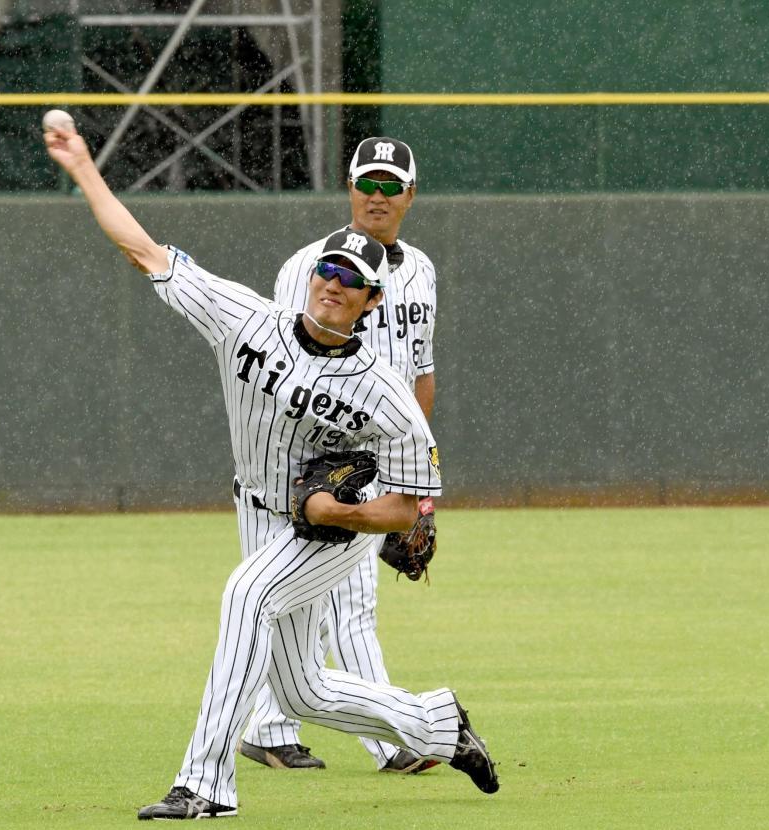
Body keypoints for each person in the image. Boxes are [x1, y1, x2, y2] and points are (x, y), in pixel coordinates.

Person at [42, 124, 499, 819]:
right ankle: (437, 724)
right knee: (299, 690)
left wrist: (343, 515)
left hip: (328, 528)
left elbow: (405, 507)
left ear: (372, 303)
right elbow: (142, 249)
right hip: (257, 508)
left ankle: (204, 785)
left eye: (355, 282)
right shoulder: (246, 320)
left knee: (247, 596)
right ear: (313, 275)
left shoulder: (386, 396)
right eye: (331, 272)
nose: (336, 286)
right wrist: (82, 168)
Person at [238, 137, 440, 774]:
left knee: (307, 605)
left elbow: (421, 372)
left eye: (390, 186)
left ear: (409, 195)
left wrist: (416, 480)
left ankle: (269, 728)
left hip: (386, 454)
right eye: (367, 184)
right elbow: (280, 367)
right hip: (323, 462)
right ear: (349, 188)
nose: (377, 197)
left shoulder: (424, 271)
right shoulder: (309, 265)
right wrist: (302, 474)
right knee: (347, 603)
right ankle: (394, 740)